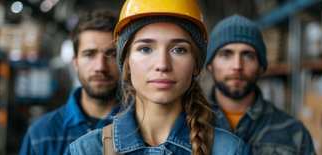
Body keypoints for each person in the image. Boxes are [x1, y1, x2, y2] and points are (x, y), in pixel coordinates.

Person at [67, 0, 250, 154]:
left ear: (196, 64)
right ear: (127, 63)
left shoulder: (230, 150)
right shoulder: (85, 150)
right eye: (145, 49)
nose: (162, 64)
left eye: (179, 49)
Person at [205, 14, 316, 154]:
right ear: (209, 65)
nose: (237, 65)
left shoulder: (294, 132)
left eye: (248, 55)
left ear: (261, 67)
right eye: (226, 54)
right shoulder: (187, 126)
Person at [19, 9, 120, 155]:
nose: (100, 67)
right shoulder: (41, 135)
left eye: (112, 55)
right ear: (75, 62)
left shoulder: (144, 128)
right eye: (89, 54)